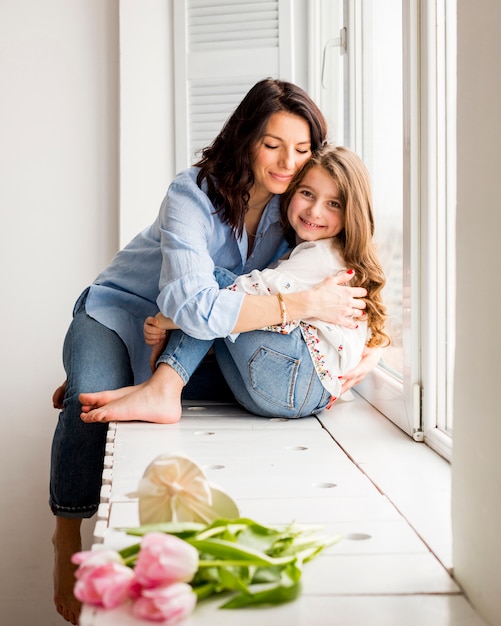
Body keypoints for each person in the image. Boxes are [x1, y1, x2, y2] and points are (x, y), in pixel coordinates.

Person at [50, 78, 379, 624]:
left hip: (185, 341)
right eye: (273, 144)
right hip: (121, 312)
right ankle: (66, 537)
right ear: (246, 137)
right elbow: (196, 304)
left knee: (113, 388)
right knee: (85, 399)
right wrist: (301, 304)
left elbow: (323, 296)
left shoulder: (294, 211)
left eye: (301, 150)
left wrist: (358, 355)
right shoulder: (191, 193)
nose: (286, 162)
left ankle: (140, 379)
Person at [98, 145, 389, 419]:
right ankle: (155, 386)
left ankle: (162, 388)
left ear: (352, 214)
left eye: (333, 203)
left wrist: (169, 319)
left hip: (295, 375)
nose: (315, 211)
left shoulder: (322, 254)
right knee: (198, 357)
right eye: (307, 193)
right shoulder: (313, 253)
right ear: (291, 193)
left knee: (216, 283)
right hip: (305, 396)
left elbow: (244, 293)